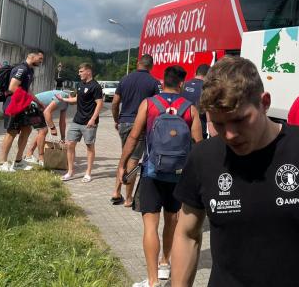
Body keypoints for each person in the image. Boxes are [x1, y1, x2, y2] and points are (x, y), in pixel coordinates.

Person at [170, 57, 299, 287]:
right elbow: (187, 234)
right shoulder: (204, 157)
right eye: (219, 124)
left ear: (264, 103)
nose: (230, 134)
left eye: (240, 120)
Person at [116, 65, 202, 287]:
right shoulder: (190, 108)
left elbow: (134, 137)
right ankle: (165, 264)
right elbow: (198, 146)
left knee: (150, 226)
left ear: (163, 82)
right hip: (179, 175)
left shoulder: (149, 104)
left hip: (152, 173)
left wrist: (122, 164)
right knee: (172, 223)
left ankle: (153, 281)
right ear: (182, 84)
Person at [110, 54, 161, 207]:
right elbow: (158, 106)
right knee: (133, 159)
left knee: (124, 156)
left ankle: (116, 191)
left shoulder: (125, 79)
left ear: (138, 63)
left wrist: (116, 119)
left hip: (124, 122)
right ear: (151, 66)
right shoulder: (154, 83)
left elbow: (115, 102)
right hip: (140, 125)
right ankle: (128, 198)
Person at [0, 49, 45, 172]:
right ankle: (2, 164)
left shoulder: (30, 71)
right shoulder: (21, 69)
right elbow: (12, 88)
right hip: (13, 105)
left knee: (27, 130)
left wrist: (38, 102)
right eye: (40, 59)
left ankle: (18, 162)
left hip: (22, 105)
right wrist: (27, 99)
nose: (41, 61)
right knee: (12, 132)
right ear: (32, 56)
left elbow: (26, 89)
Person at [56, 62, 103, 182]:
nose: (79, 74)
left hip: (89, 123)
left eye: (81, 71)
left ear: (88, 71)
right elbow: (77, 99)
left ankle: (88, 173)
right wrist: (63, 99)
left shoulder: (95, 86)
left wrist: (93, 119)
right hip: (77, 120)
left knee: (89, 146)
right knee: (69, 144)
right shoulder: (80, 84)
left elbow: (99, 104)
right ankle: (70, 172)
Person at [23, 88, 70, 166]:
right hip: (31, 105)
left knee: (41, 131)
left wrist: (63, 138)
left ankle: (29, 155)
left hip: (38, 108)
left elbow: (62, 122)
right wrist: (52, 128)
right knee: (43, 131)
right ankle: (41, 158)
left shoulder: (66, 104)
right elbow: (46, 112)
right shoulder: (63, 96)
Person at [181, 64, 210, 140]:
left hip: (181, 132)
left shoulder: (183, 85)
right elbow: (209, 117)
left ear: (195, 73)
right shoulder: (207, 89)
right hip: (199, 135)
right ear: (208, 76)